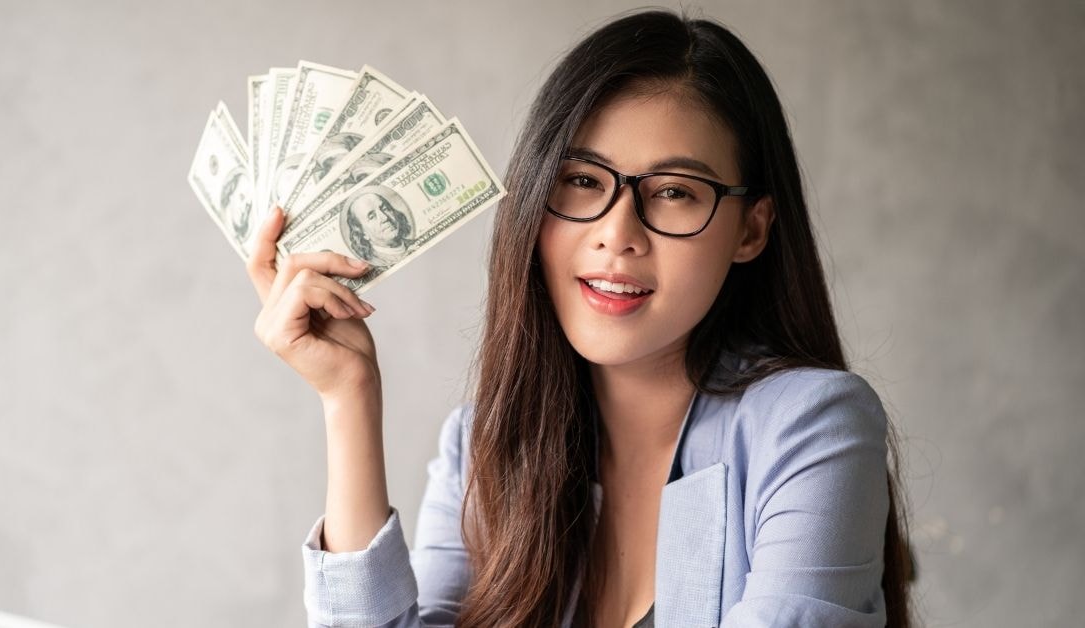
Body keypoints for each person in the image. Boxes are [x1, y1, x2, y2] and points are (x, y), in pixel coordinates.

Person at [244, 9, 914, 628]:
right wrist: (348, 398)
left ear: (750, 230)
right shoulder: (485, 446)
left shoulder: (812, 426)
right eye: (583, 181)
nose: (617, 234)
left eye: (676, 193)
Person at [342, 190, 416, 267]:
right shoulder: (371, 264)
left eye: (385, 209)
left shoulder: (414, 243)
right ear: (363, 233)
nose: (384, 217)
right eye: (372, 217)